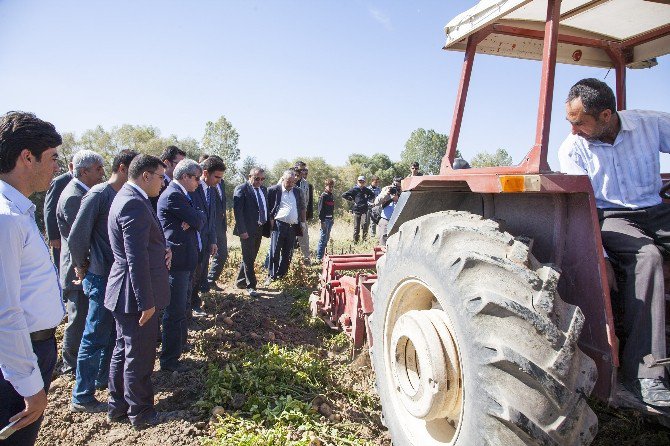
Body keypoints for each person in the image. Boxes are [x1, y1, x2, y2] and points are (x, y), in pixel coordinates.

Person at [558, 77, 670, 407]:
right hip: (611, 217)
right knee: (646, 257)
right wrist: (601, 257)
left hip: (655, 207)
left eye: (579, 122)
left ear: (607, 115)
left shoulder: (650, 124)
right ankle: (645, 376)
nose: (573, 130)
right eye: (570, 122)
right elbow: (583, 208)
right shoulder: (572, 149)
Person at [0, 111, 64, 445]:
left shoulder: (18, 210)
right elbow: (4, 312)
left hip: (30, 349)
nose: (57, 167)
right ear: (27, 157)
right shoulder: (6, 218)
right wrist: (29, 386)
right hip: (19, 355)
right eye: (53, 158)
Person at [67, 149, 138, 414]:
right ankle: (81, 395)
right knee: (95, 334)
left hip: (116, 276)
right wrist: (82, 264)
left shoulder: (122, 195)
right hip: (99, 276)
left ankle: (102, 381)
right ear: (122, 168)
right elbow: (77, 237)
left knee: (110, 334)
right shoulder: (98, 194)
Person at [105, 154, 171, 429]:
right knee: (139, 355)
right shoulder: (133, 202)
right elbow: (136, 258)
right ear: (146, 175)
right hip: (135, 295)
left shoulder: (130, 197)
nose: (163, 183)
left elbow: (145, 248)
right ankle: (141, 412)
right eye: (160, 177)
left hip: (126, 291)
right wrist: (147, 303)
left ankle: (118, 406)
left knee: (125, 349)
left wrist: (162, 250)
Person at [56, 150, 106, 378]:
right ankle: (71, 367)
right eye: (98, 169)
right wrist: (82, 265)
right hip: (78, 269)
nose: (102, 173)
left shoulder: (82, 193)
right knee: (78, 319)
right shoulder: (75, 196)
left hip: (84, 267)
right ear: (84, 171)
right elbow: (80, 238)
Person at [157, 159, 206, 373]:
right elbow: (197, 218)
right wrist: (194, 219)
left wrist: (195, 219)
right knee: (174, 312)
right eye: (196, 178)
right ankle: (169, 360)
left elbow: (200, 218)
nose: (199, 182)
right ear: (185, 177)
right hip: (176, 263)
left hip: (185, 262)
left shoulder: (184, 195)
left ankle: (177, 351)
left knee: (181, 308)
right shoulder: (174, 195)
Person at [188, 156, 224, 316]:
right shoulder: (192, 189)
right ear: (205, 173)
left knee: (201, 273)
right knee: (191, 276)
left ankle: (195, 303)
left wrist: (213, 240)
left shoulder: (212, 190)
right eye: (216, 177)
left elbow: (212, 218)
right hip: (192, 241)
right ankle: (187, 308)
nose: (219, 181)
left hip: (205, 240)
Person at [233, 167, 269, 297]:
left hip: (259, 228)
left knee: (251, 256)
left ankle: (241, 281)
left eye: (262, 179)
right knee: (248, 258)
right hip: (247, 230)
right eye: (257, 178)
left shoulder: (263, 190)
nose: (260, 181)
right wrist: (242, 230)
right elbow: (238, 212)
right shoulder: (241, 189)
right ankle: (251, 286)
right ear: (250, 176)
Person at [265, 170, 305, 283]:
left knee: (288, 252)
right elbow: (267, 207)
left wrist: (302, 223)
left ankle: (281, 275)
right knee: (275, 251)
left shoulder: (297, 191)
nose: (291, 184)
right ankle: (271, 276)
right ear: (283, 179)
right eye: (288, 181)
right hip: (279, 225)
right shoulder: (273, 190)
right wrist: (270, 220)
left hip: (293, 226)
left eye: (293, 181)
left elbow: (302, 207)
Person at [43, 162, 73, 272]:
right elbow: (49, 209)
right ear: (71, 166)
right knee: (60, 264)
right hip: (59, 235)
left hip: (70, 234)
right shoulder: (59, 182)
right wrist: (53, 236)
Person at [206, 156, 229, 291]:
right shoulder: (206, 182)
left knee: (222, 253)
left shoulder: (221, 182)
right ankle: (203, 285)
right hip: (208, 224)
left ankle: (210, 280)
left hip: (219, 225)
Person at [151, 145, 186, 212]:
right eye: (180, 165)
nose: (183, 169)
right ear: (167, 163)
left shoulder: (181, 185)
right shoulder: (155, 182)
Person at [342, 175, 375, 243]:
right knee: (356, 227)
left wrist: (367, 199)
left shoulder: (366, 190)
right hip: (357, 210)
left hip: (364, 210)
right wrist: (351, 199)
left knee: (365, 226)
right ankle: (355, 242)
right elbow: (344, 195)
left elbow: (373, 195)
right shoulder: (354, 189)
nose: (361, 183)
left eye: (362, 181)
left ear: (364, 182)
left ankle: (364, 240)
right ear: (357, 181)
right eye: (360, 181)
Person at [294, 162, 313, 264]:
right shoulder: (286, 179)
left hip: (301, 216)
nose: (303, 172)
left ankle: (306, 260)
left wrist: (304, 217)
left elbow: (306, 201)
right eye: (301, 170)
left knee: (304, 238)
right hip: (288, 216)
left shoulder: (305, 184)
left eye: (305, 170)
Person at [374, 179, 401, 245]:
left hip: (399, 220)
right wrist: (386, 194)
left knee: (397, 241)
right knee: (383, 240)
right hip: (386, 220)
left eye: (398, 186)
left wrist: (398, 199)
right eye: (395, 185)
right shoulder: (386, 189)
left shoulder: (405, 190)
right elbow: (376, 202)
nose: (396, 187)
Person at [316, 178, 336, 262]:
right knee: (323, 238)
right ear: (326, 186)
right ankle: (319, 257)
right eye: (329, 186)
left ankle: (324, 256)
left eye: (332, 186)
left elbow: (332, 209)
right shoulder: (323, 196)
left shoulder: (331, 196)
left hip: (330, 220)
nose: (331, 188)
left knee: (327, 238)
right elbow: (320, 210)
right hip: (325, 221)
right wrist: (322, 221)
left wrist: (332, 218)